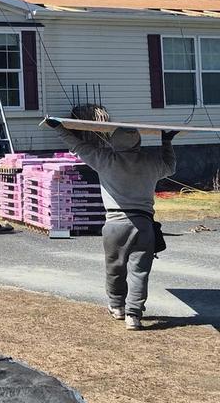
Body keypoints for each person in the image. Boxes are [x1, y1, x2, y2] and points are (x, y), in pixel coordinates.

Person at [57, 125, 176, 330]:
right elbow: (170, 166)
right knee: (140, 272)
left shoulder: (105, 159)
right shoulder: (150, 162)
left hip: (115, 224)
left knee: (114, 269)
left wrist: (58, 128)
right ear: (138, 141)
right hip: (144, 224)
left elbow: (77, 145)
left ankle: (116, 306)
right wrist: (166, 142)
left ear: (114, 141)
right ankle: (134, 315)